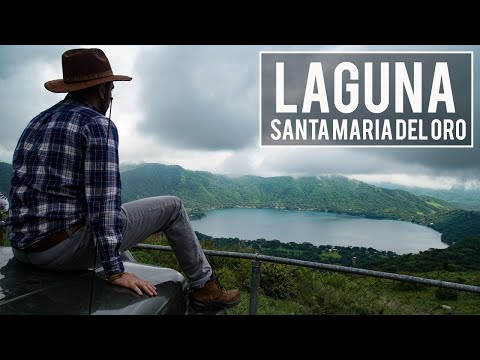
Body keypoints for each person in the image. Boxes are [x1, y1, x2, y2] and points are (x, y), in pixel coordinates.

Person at [6, 48, 240, 310]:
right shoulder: (96, 125)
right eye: (112, 90)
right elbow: (104, 207)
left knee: (106, 224)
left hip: (23, 249)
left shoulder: (35, 122)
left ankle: (143, 270)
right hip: (61, 252)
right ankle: (205, 287)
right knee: (172, 207)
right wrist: (115, 272)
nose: (111, 96)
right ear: (102, 90)